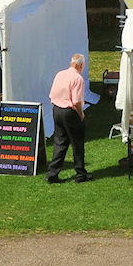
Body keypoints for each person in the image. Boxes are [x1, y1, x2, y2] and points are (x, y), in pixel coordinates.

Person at [45, 53, 90, 183]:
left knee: (60, 142)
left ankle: (52, 174)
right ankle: (80, 174)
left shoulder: (60, 74)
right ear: (81, 65)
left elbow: (52, 93)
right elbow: (76, 102)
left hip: (57, 109)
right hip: (69, 111)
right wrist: (81, 114)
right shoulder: (78, 79)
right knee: (77, 143)